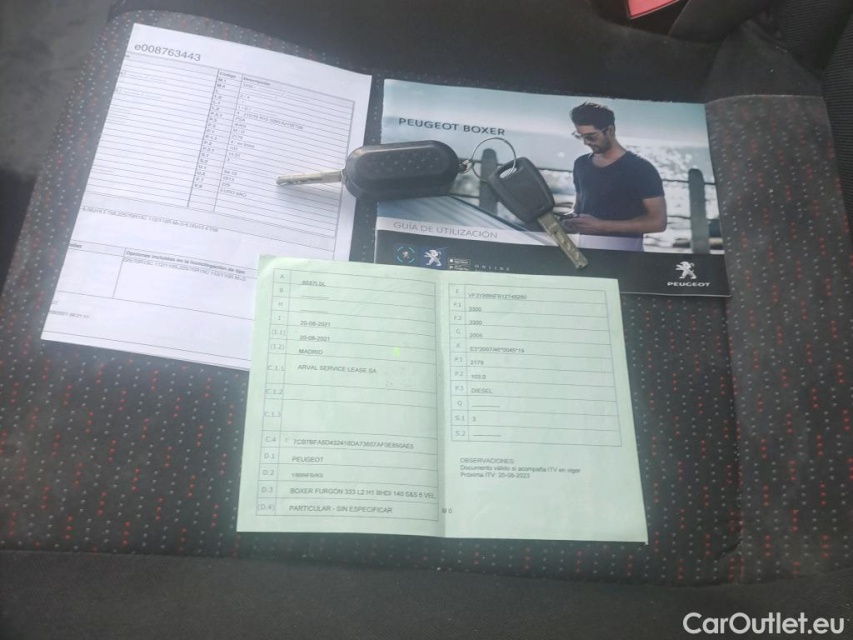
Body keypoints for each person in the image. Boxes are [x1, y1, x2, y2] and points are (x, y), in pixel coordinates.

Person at [560, 102, 667, 252]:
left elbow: (658, 222)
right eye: (580, 136)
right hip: (586, 255)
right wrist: (570, 219)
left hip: (625, 258)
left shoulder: (641, 169)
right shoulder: (581, 164)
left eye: (591, 136)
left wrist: (602, 226)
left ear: (610, 130)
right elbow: (579, 205)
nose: (585, 142)